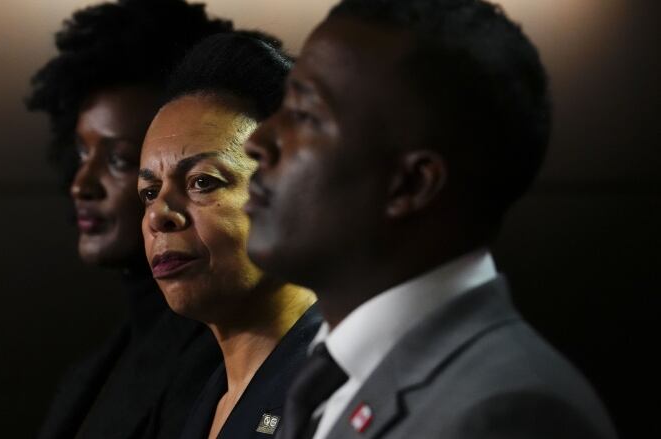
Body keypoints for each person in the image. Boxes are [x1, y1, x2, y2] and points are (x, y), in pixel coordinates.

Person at [243, 0, 618, 438]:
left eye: (304, 115)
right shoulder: (329, 371)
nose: (258, 140)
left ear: (412, 185)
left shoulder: (508, 413)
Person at [25, 1, 231, 437]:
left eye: (118, 159)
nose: (82, 183)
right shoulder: (100, 364)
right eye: (82, 152)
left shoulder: (218, 363)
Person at [137, 32, 320, 439]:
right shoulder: (204, 400)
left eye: (203, 181)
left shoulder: (343, 388)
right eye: (149, 192)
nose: (158, 215)